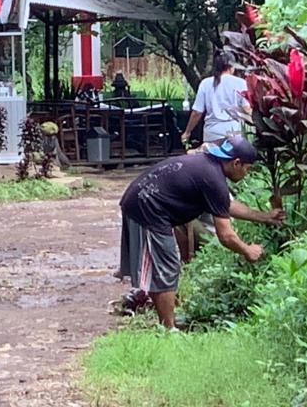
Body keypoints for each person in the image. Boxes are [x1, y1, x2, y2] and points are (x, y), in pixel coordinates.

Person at [117, 134, 283, 328]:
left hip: (141, 201)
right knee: (167, 269)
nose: (246, 173)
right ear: (237, 163)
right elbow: (226, 236)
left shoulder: (208, 166)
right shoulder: (213, 179)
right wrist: (248, 250)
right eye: (248, 168)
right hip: (147, 208)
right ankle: (168, 330)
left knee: (162, 269)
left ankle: (167, 322)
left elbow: (225, 205)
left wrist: (264, 217)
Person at [182, 52, 250, 147]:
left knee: (212, 160)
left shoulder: (205, 83)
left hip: (212, 132)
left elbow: (197, 112)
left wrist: (187, 132)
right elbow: (247, 109)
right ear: (232, 66)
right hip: (233, 131)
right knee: (232, 160)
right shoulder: (241, 83)